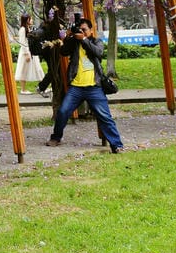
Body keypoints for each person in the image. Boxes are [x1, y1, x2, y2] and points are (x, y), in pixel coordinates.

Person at [46, 18, 124, 153]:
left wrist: (84, 39)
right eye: (80, 30)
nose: (82, 32)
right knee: (63, 112)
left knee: (105, 116)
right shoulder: (74, 43)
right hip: (76, 87)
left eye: (84, 30)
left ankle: (116, 145)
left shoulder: (96, 41)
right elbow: (63, 51)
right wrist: (70, 36)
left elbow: (98, 53)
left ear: (91, 30)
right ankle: (56, 137)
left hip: (94, 87)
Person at [16, 14, 45, 94]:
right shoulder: (22, 29)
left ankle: (43, 86)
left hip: (31, 51)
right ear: (27, 20)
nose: (32, 20)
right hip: (26, 52)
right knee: (23, 70)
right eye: (30, 19)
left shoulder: (28, 28)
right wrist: (26, 54)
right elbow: (22, 42)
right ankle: (23, 89)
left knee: (38, 68)